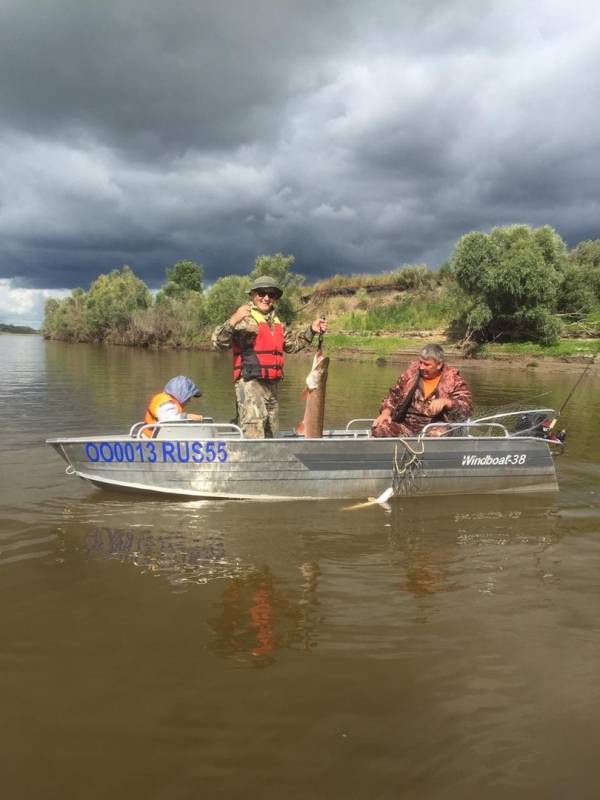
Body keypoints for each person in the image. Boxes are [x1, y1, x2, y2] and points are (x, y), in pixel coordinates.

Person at [211, 275, 327, 438]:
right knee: (254, 435)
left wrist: (312, 330)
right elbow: (218, 343)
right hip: (251, 385)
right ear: (252, 294)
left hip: (271, 388)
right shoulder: (243, 318)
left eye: (271, 294)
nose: (266, 297)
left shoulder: (277, 322)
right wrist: (233, 320)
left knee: (271, 434)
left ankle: (267, 461)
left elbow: (292, 345)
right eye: (261, 293)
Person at [372, 344, 473, 438]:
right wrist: (385, 413)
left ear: (439, 365)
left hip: (436, 426)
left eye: (427, 364)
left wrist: (447, 402)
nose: (421, 367)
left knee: (437, 434)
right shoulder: (410, 374)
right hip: (406, 426)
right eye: (420, 362)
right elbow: (393, 395)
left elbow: (467, 408)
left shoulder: (454, 380)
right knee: (380, 427)